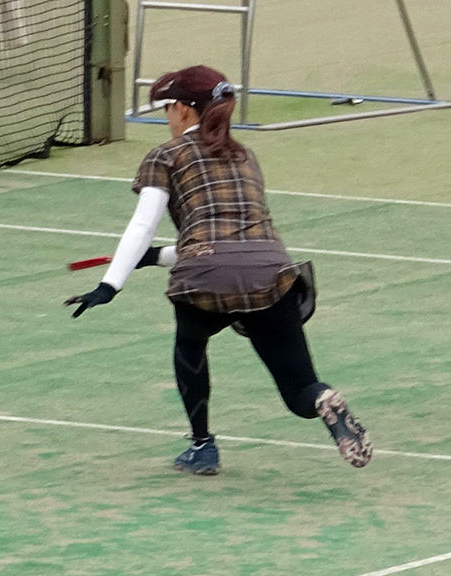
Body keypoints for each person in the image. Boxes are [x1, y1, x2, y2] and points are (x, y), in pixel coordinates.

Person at [65, 65, 372, 474]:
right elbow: (229, 240)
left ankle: (202, 446)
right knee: (299, 388)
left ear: (184, 109)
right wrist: (154, 257)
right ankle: (323, 399)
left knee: (190, 345)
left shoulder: (165, 156)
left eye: (168, 108)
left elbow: (143, 225)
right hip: (270, 271)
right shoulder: (245, 155)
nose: (168, 118)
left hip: (206, 280)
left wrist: (110, 285)